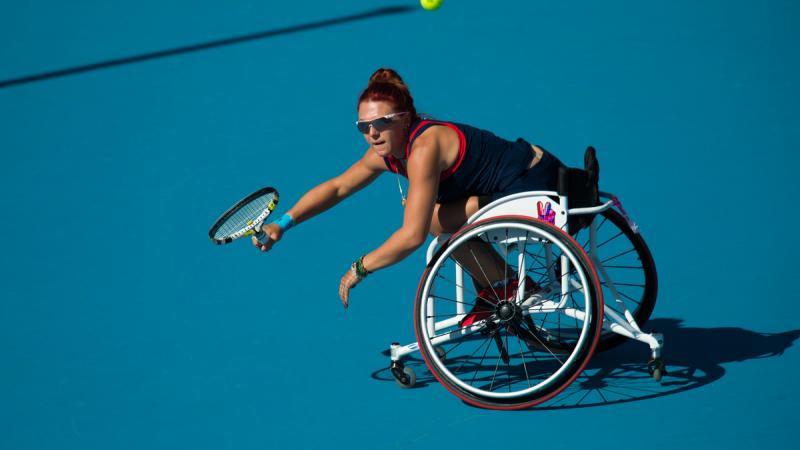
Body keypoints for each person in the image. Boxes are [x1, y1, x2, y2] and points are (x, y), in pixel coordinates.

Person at [253, 68, 565, 309]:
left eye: (382, 122)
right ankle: (501, 285)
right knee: (432, 216)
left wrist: (360, 267)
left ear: (405, 119)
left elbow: (412, 235)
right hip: (521, 179)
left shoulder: (424, 149)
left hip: (533, 183)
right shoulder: (389, 150)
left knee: (427, 220)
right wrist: (283, 224)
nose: (373, 133)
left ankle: (505, 286)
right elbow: (338, 187)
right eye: (363, 127)